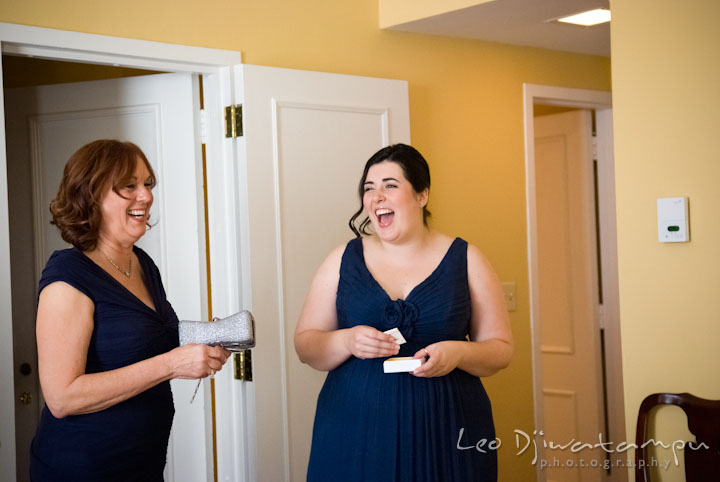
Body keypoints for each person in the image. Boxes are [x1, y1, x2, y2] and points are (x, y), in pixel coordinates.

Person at [294, 144, 513, 481]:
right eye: (369, 188)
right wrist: (347, 341)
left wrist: (458, 352)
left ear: (422, 195)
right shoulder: (342, 259)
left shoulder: (467, 259)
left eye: (390, 185)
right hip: (354, 430)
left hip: (448, 428)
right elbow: (306, 345)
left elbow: (500, 350)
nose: (376, 197)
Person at [30, 140, 231, 481]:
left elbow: (146, 336)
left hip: (142, 463)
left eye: (148, 184)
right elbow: (62, 397)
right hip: (83, 468)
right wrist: (172, 364)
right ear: (92, 195)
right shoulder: (67, 276)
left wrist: (211, 339)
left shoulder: (141, 264)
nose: (146, 196)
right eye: (130, 186)